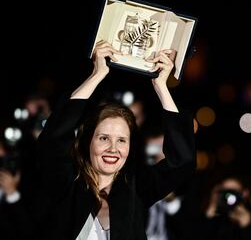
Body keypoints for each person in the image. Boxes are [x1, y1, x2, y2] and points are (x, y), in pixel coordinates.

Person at [32, 40, 196, 239]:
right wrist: (96, 74)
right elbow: (51, 141)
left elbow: (182, 162)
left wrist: (161, 85)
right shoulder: (67, 183)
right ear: (88, 141)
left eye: (121, 140)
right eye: (103, 138)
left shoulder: (137, 189)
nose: (113, 148)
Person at [196, 176, 251, 240]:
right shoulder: (215, 220)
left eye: (233, 191)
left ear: (245, 193)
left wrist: (247, 226)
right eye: (225, 192)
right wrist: (210, 213)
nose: (229, 196)